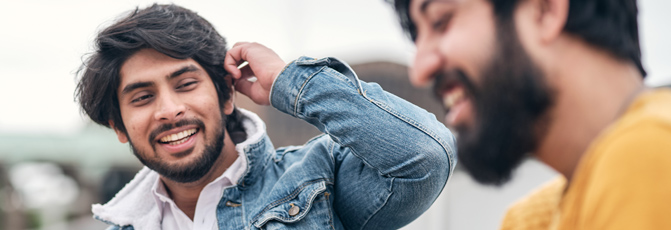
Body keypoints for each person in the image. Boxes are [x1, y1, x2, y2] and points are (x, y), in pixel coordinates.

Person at [371, 0, 671, 229]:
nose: (419, 68)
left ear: (545, 11)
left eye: (441, 21)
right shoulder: (536, 217)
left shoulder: (655, 163)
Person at [76, 4, 455, 230]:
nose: (169, 110)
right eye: (142, 97)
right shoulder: (118, 224)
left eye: (186, 84)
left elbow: (425, 158)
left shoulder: (318, 180)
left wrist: (289, 82)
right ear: (119, 127)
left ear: (226, 94)